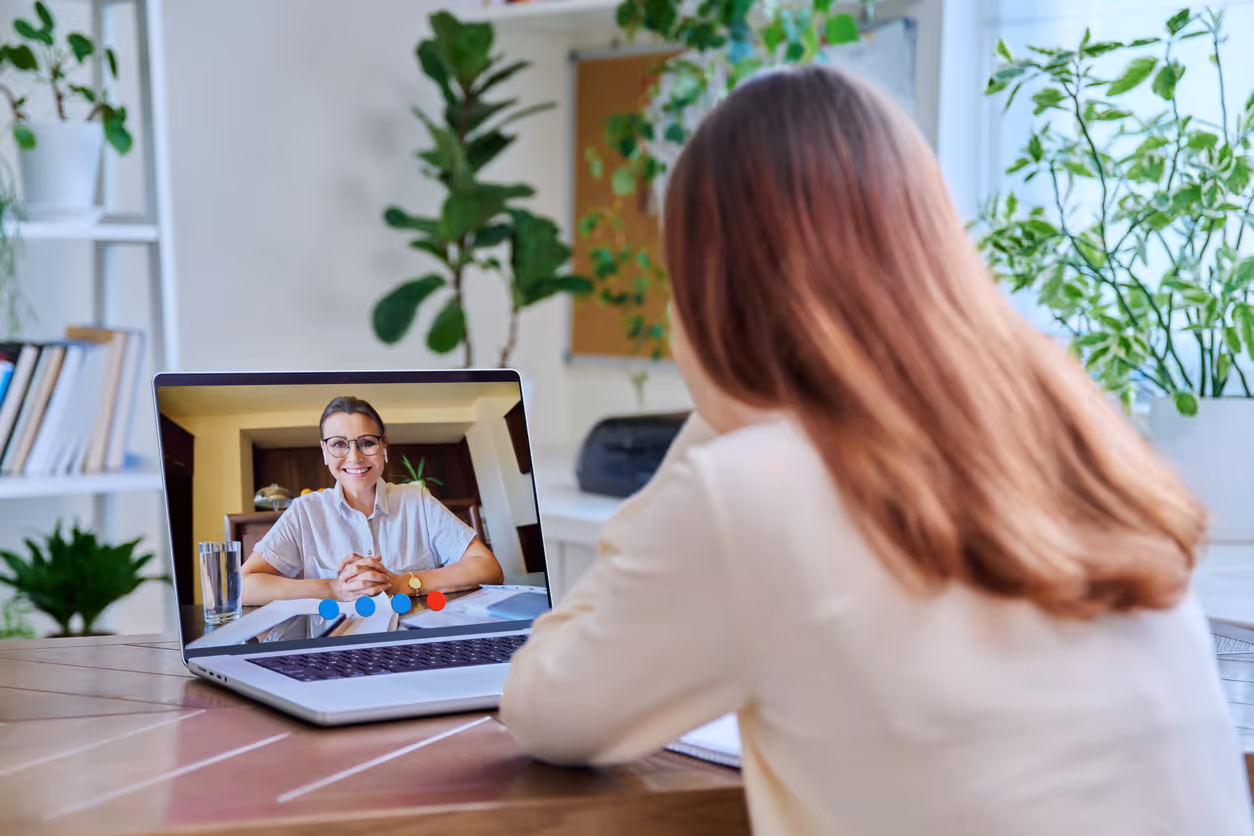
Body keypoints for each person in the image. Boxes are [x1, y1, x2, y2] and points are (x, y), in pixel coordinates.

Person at [501, 66, 1253, 835]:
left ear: (714, 293)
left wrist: (726, 418)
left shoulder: (751, 487)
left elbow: (548, 708)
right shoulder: (1074, 435)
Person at [240, 396, 503, 606]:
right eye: (339, 444)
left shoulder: (417, 501)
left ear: (384, 447)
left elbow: (487, 567)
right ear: (325, 451)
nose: (354, 457)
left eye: (366, 442)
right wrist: (334, 587)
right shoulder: (305, 511)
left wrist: (403, 583)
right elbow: (242, 586)